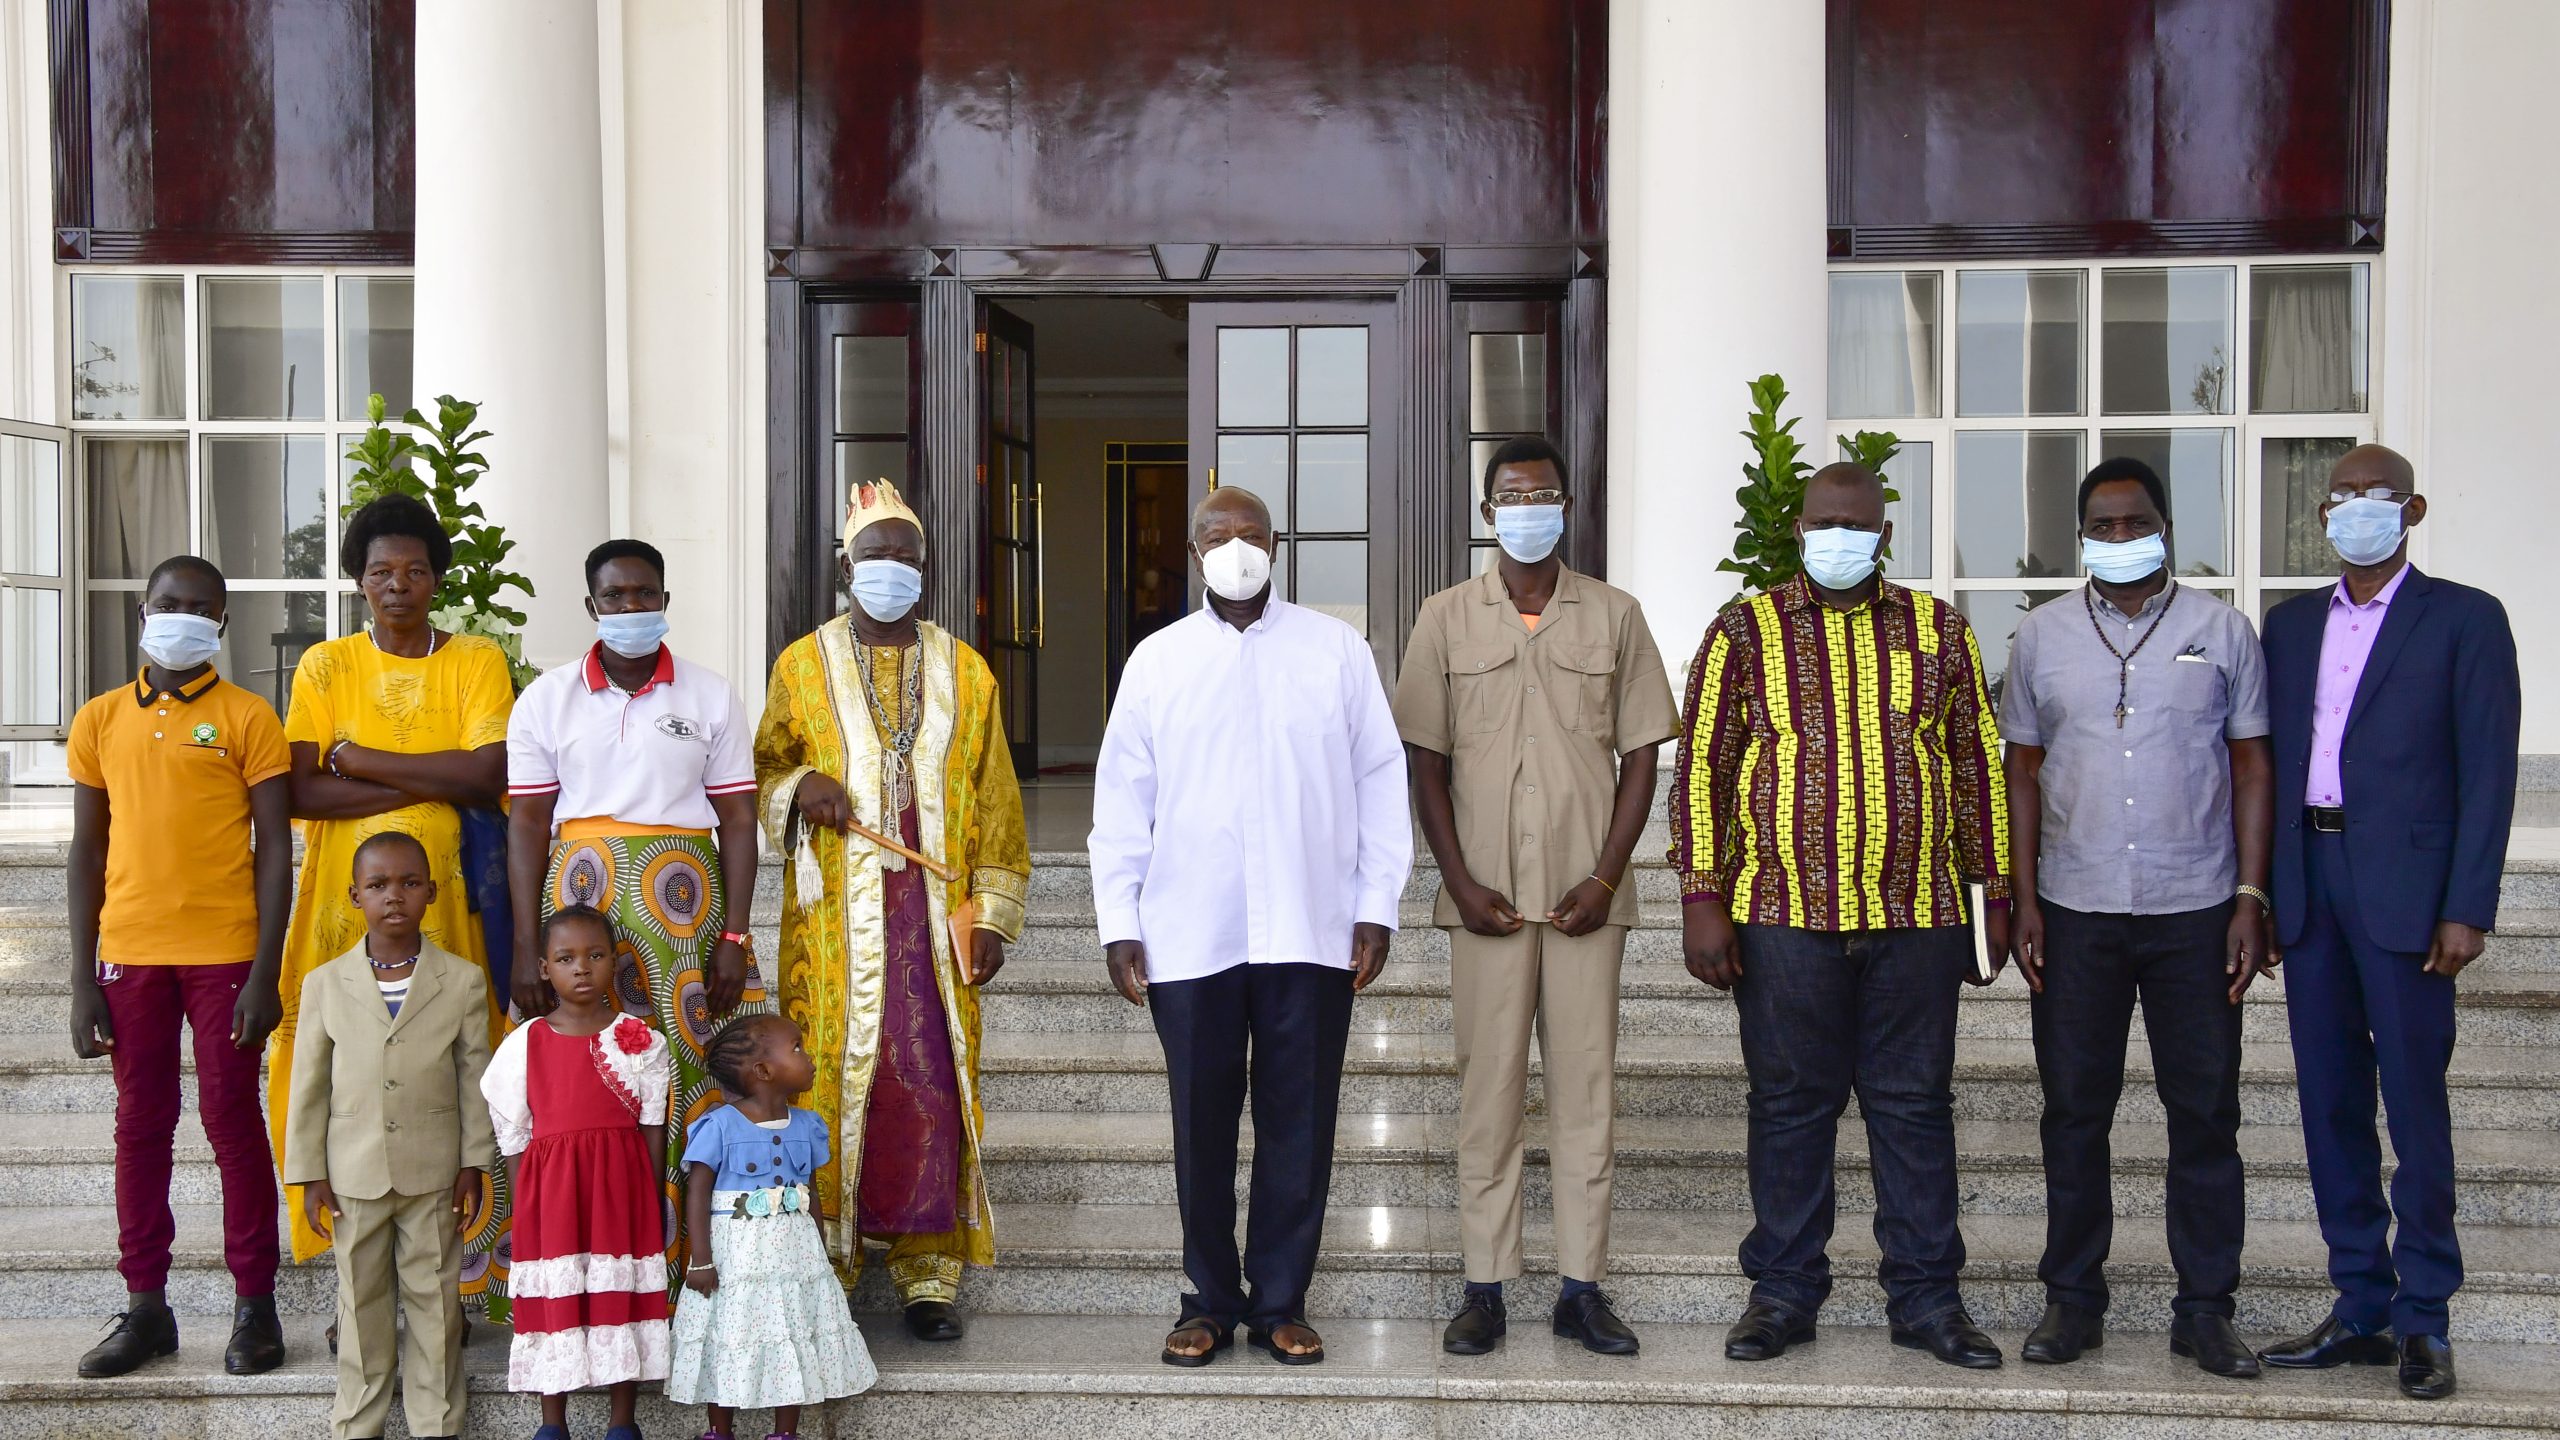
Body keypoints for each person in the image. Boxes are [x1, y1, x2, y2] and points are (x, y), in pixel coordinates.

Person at [1672, 462, 2012, 1370]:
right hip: (1782, 913)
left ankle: (1928, 1299)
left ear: (1885, 536)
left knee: (1915, 1108)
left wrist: (1997, 893)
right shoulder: (1744, 630)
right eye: (1823, 521)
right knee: (1789, 1106)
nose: (1839, 536)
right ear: (1797, 532)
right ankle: (1784, 1293)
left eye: (1855, 523)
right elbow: (1705, 761)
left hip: (1920, 914)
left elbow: (1979, 765)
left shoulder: (1940, 629)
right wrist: (1703, 895)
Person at [1090, 485, 1413, 1369]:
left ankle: (1280, 1300)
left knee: (1298, 1120)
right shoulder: (1157, 662)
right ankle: (1206, 1299)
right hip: (1190, 933)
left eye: (1251, 534)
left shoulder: (1336, 652)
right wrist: (1120, 922)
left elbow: (1383, 782)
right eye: (1216, 536)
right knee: (1200, 1122)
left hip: (1310, 930)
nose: (1235, 547)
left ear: (1279, 544)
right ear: (1193, 554)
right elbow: (1121, 801)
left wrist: (1375, 904)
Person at [1392, 438, 1678, 1357]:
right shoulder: (1443, 619)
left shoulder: (1618, 615)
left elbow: (1643, 756)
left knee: (1587, 1094)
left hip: (1586, 901)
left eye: (1544, 494)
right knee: (1490, 1093)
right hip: (1487, 906)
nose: (1529, 508)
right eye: (1513, 496)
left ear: (1566, 507)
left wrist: (1606, 875)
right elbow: (1425, 763)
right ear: (1487, 514)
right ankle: (1486, 1286)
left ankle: (1583, 1289)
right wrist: (1459, 880)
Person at [2256, 445, 2520, 1402]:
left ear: (2410, 507)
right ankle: (2359, 1305)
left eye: (2373, 497)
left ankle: (2425, 1321)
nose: (2352, 512)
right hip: (2311, 885)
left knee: (2414, 1107)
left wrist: (2468, 905)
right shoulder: (2287, 628)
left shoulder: (2464, 619)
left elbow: (2490, 771)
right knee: (2329, 1108)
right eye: (2338, 499)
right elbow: (2265, 763)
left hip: (2411, 898)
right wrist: (2266, 894)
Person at [2000, 458, 2273, 1378]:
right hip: (2075, 911)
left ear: (2167, 525)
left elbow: (2250, 768)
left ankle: (2205, 1309)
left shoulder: (2223, 630)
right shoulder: (2039, 639)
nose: (2121, 538)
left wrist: (2250, 897)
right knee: (2074, 1112)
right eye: (2104, 526)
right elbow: (2023, 773)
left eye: (2136, 521)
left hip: (2195, 908)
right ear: (2081, 536)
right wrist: (2025, 897)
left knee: (2205, 1113)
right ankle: (2073, 1301)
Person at [753, 478, 1031, 1341]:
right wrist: (807, 785)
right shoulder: (801, 665)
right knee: (831, 1075)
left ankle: (928, 1275)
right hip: (836, 921)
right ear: (848, 566)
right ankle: (829, 1259)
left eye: (905, 556)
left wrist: (991, 915)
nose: (891, 569)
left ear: (926, 568)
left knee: (932, 1078)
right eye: (875, 555)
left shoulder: (968, 671)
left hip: (936, 913)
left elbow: (996, 800)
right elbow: (765, 773)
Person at [507, 538, 771, 1294]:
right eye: (615, 597)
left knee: (693, 1070)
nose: (631, 608)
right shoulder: (548, 698)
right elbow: (526, 826)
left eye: (644, 594)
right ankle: (596, 1263)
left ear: (664, 599)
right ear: (592, 608)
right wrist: (528, 948)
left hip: (688, 907)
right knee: (591, 1079)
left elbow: (741, 822)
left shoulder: (709, 695)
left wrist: (734, 937)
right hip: (582, 904)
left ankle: (703, 1262)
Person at [274, 494, 515, 1308]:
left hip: (445, 906)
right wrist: (421, 776)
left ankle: (459, 1273)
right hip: (346, 908)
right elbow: (301, 789)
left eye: (416, 571)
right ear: (357, 582)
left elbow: (487, 777)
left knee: (449, 1063)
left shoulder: (476, 659)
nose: (399, 585)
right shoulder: (326, 667)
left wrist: (359, 756)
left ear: (439, 579)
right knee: (342, 1071)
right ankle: (353, 1277)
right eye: (381, 572)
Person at [64, 555, 293, 1379]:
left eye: (201, 607)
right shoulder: (98, 720)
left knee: (234, 1127)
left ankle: (254, 1307)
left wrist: (268, 969)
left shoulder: (248, 716)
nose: (183, 616)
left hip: (225, 954)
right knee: (140, 1128)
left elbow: (275, 855)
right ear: (142, 611)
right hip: (130, 953)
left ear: (222, 625)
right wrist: (83, 975)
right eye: (169, 603)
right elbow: (87, 851)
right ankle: (146, 1307)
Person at [283, 831, 497, 1440]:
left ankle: (437, 1424)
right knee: (361, 1307)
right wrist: (310, 1174)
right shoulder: (325, 983)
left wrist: (474, 1163)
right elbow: (310, 1087)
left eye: (408, 883)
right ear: (355, 896)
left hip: (434, 1173)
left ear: (431, 892)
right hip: (352, 1175)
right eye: (377, 886)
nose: (393, 897)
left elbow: (473, 1078)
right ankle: (358, 1423)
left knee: (435, 1303)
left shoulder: (461, 981)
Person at [483, 905, 672, 1440]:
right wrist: (527, 1206)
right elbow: (514, 1135)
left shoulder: (640, 1039)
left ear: (615, 963)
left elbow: (652, 1124)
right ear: (544, 968)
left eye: (594, 956)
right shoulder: (524, 1043)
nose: (581, 968)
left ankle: (621, 1420)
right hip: (553, 1192)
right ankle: (552, 1421)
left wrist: (650, 1194)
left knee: (621, 1290)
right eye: (566, 958)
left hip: (621, 1188)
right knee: (555, 1294)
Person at [669, 1014, 878, 1438]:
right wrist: (701, 1261)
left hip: (793, 1255)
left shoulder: (808, 1126)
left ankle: (786, 1430)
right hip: (737, 1259)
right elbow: (698, 1194)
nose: (808, 1055)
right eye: (797, 1048)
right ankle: (719, 1428)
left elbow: (812, 1194)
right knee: (730, 1333)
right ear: (763, 1071)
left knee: (793, 1331)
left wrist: (818, 1252)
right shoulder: (719, 1126)